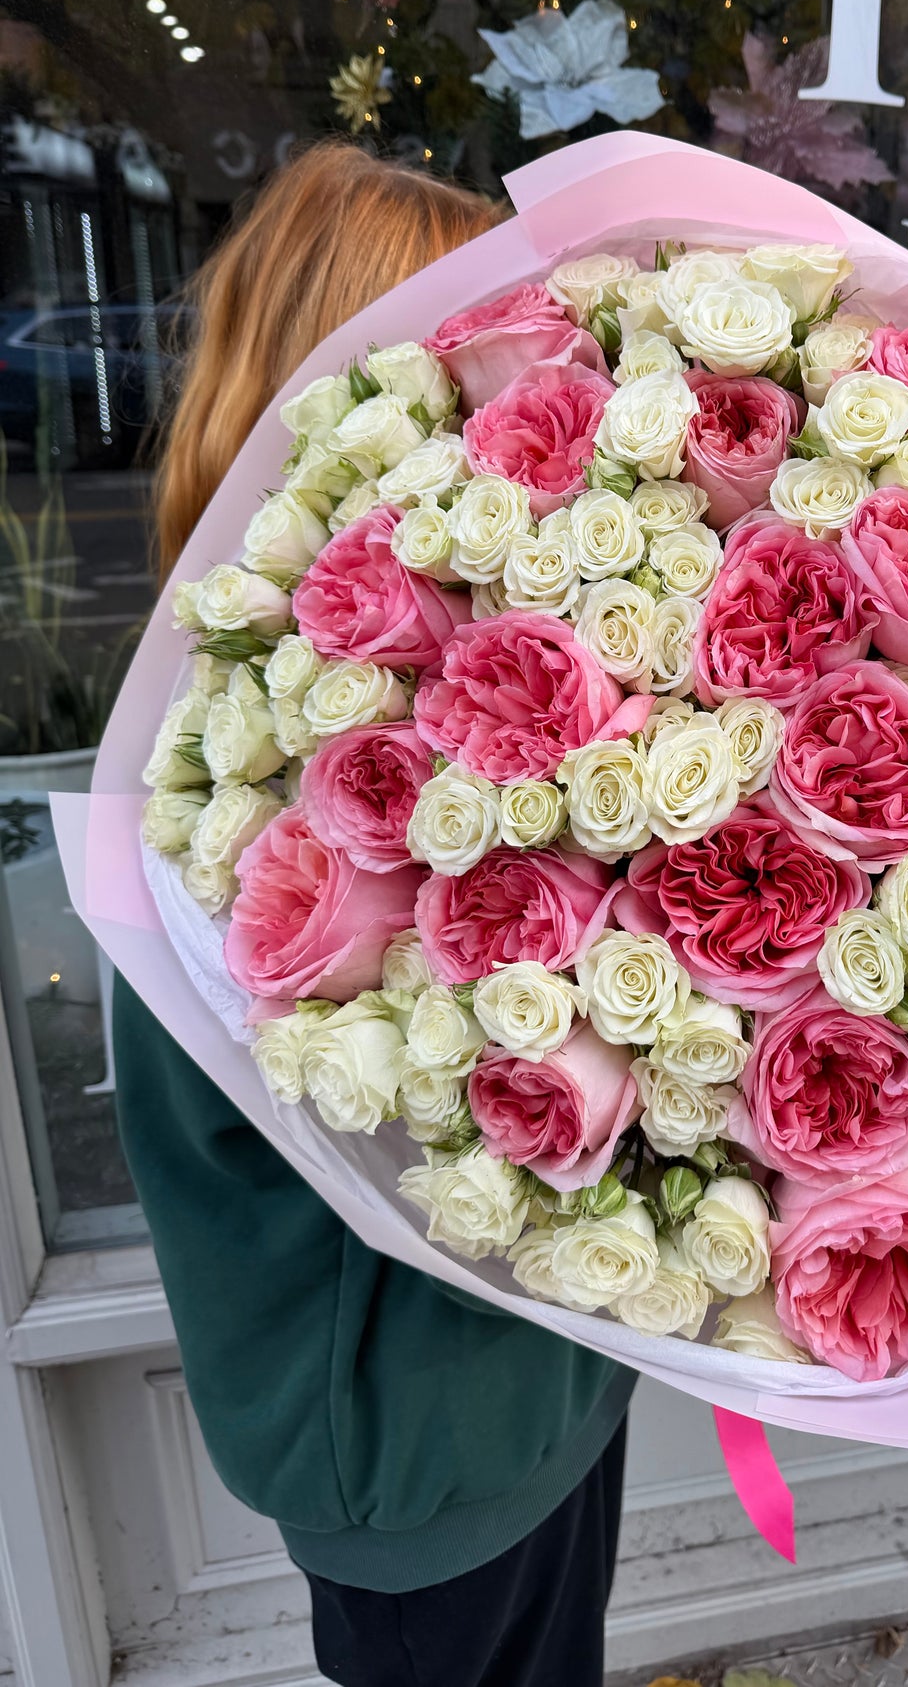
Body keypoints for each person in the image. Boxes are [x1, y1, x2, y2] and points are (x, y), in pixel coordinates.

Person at [117, 143, 635, 1687]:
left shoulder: (458, 704)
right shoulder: (217, 783)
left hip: (556, 1384)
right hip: (406, 1443)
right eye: (496, 361)